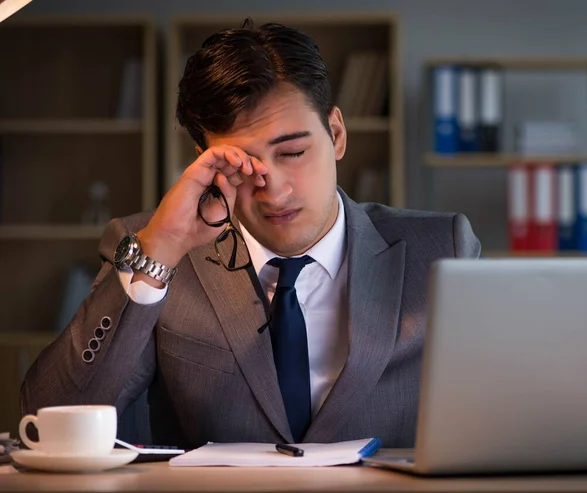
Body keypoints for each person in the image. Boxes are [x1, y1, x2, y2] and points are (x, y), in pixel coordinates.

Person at [21, 20, 480, 448]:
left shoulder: (442, 250)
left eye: (294, 152)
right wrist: (159, 252)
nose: (273, 190)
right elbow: (46, 425)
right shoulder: (152, 249)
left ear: (336, 134)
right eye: (239, 166)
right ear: (202, 163)